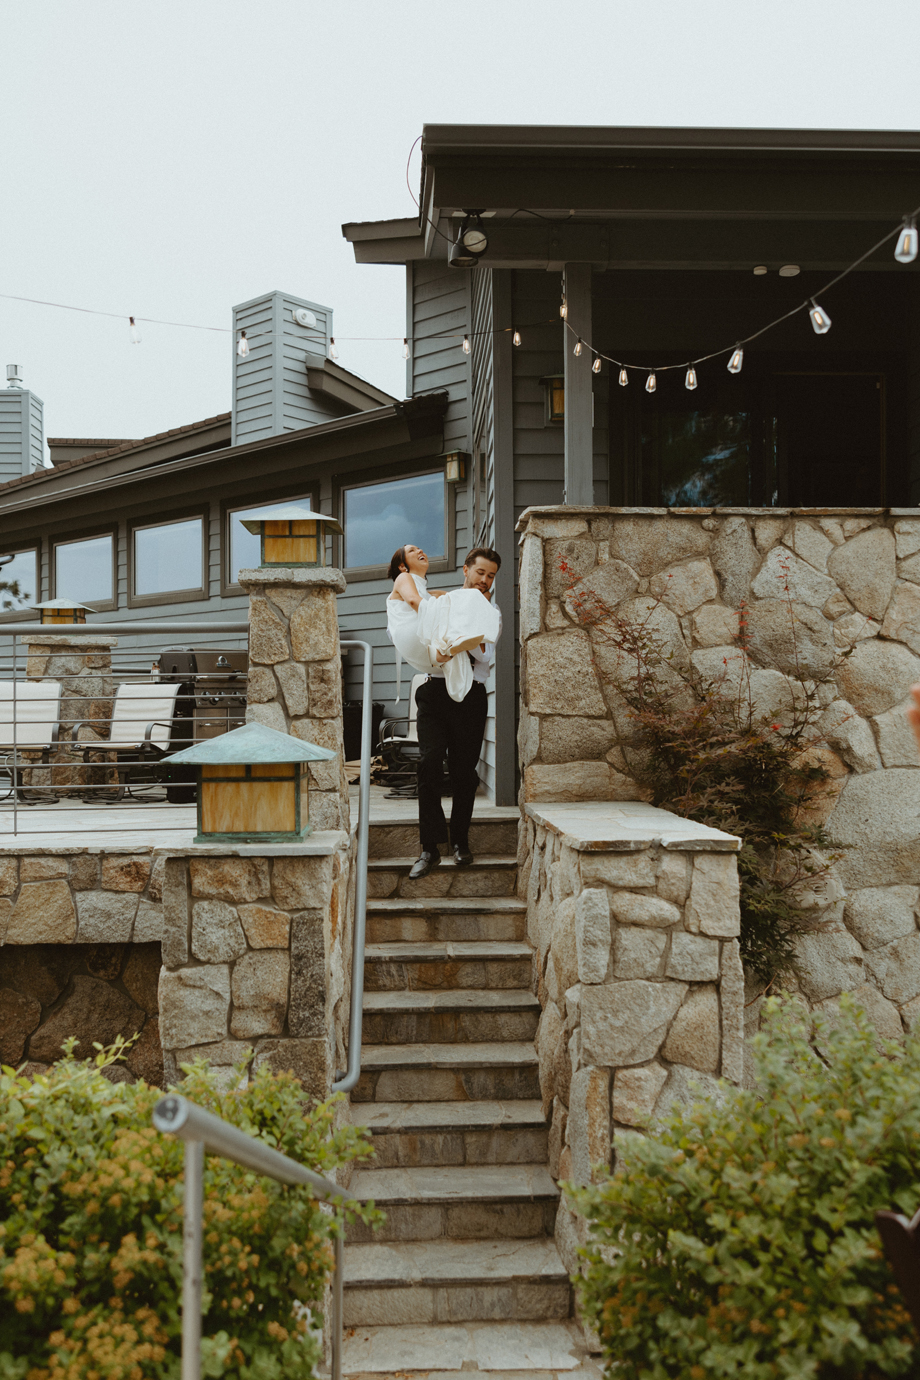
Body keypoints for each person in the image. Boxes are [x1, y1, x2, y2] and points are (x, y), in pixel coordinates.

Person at [385, 544, 502, 878]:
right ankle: (429, 848)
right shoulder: (446, 602)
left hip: (471, 696)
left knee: (465, 772)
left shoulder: (490, 610)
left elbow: (484, 655)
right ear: (466, 570)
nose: (484, 580)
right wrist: (446, 618)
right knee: (429, 763)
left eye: (491, 576)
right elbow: (420, 607)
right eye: (480, 572)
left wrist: (462, 631)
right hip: (433, 691)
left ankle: (460, 842)